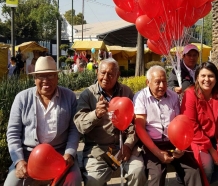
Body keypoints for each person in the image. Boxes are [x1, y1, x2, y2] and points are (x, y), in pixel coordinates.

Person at [4, 56, 81, 186]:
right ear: (34, 79)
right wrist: (19, 161)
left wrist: (70, 153)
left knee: (73, 180)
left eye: (50, 75)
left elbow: (74, 129)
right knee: (11, 184)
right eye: (41, 76)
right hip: (28, 157)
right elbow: (13, 133)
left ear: (57, 77)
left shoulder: (69, 97)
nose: (46, 80)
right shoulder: (22, 98)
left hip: (60, 156)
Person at [74, 58, 146, 186]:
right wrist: (95, 114)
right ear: (97, 73)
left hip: (124, 148)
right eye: (103, 73)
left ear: (118, 75)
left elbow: (135, 124)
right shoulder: (88, 94)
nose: (106, 77)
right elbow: (80, 125)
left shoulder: (126, 92)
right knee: (93, 180)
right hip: (98, 151)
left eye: (111, 74)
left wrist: (129, 145)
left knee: (138, 171)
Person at [134, 65, 202, 186]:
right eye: (157, 82)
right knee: (157, 175)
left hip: (173, 142)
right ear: (147, 82)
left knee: (193, 171)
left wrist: (181, 146)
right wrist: (158, 153)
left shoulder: (173, 96)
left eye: (164, 81)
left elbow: (180, 122)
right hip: (152, 144)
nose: (162, 86)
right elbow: (140, 128)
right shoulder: (141, 97)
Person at [180, 61, 218, 185]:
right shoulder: (190, 94)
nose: (207, 79)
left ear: (216, 78)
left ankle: (203, 182)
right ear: (197, 78)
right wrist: (212, 151)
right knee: (207, 165)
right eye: (203, 76)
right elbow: (191, 125)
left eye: (211, 76)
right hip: (197, 140)